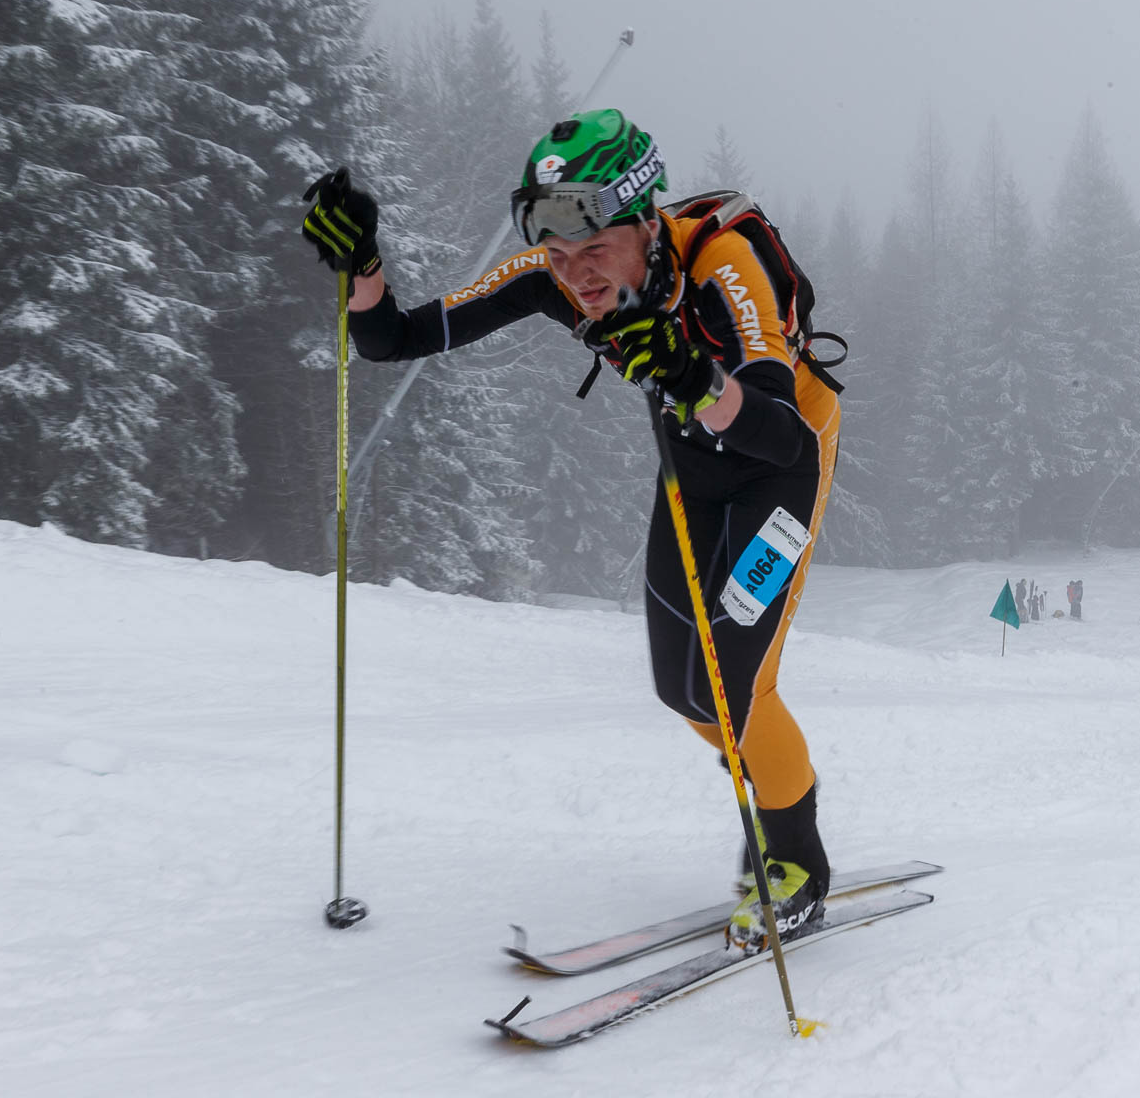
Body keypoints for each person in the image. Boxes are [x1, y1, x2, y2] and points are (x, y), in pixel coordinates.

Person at [303, 110, 841, 950]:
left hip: (780, 463)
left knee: (734, 686)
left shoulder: (724, 267)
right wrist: (361, 267)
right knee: (681, 689)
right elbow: (395, 339)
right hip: (694, 463)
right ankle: (770, 799)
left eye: (596, 253)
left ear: (646, 223)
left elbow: (780, 431)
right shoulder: (556, 273)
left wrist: (694, 372)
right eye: (558, 256)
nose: (578, 278)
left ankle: (798, 860)